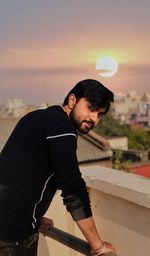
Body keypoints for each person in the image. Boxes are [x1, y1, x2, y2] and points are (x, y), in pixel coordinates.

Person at [0, 79, 116, 256]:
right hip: (11, 236)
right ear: (72, 100)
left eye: (100, 114)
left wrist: (33, 215)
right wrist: (98, 246)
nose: (94, 118)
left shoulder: (35, 117)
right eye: (91, 109)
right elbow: (72, 187)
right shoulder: (63, 127)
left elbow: (18, 170)